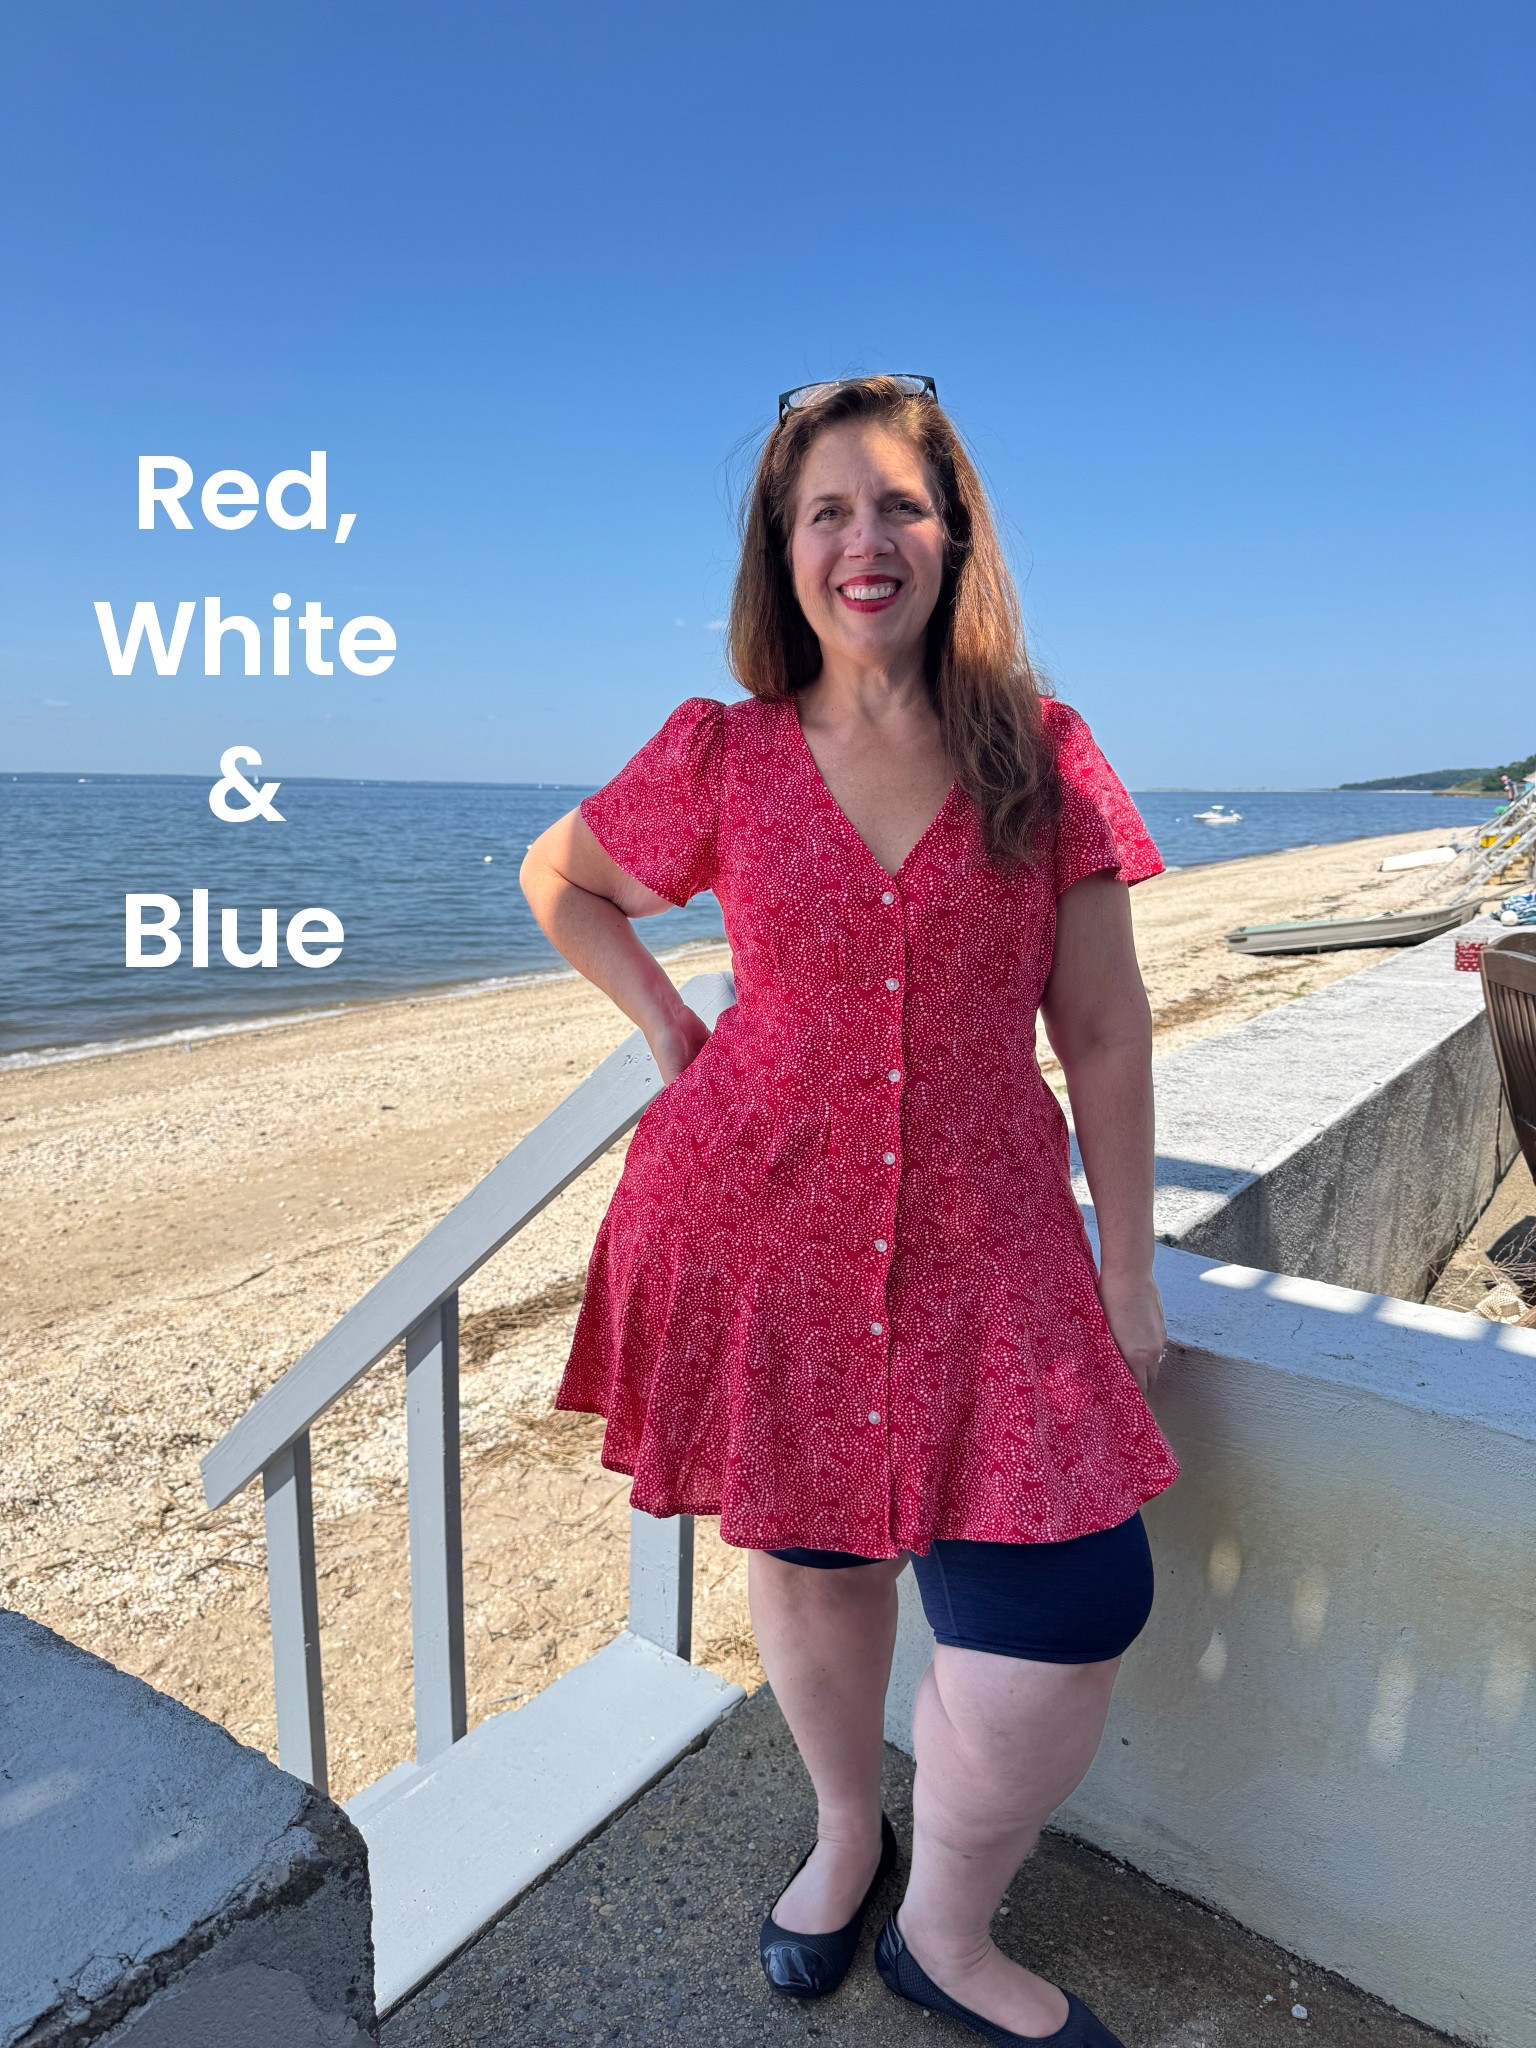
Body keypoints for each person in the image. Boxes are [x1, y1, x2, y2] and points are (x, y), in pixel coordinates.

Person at [520, 374, 1179, 2048]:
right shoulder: (721, 752)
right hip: (767, 1231)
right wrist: (675, 1030)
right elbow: (560, 878)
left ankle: (946, 1929)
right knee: (813, 1568)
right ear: (783, 547)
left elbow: (1099, 1031)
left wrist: (1127, 1269)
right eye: (827, 511)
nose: (863, 540)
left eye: (897, 503)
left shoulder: (1043, 751)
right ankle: (842, 1828)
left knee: (1071, 1608)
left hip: (1000, 1250)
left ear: (953, 534)